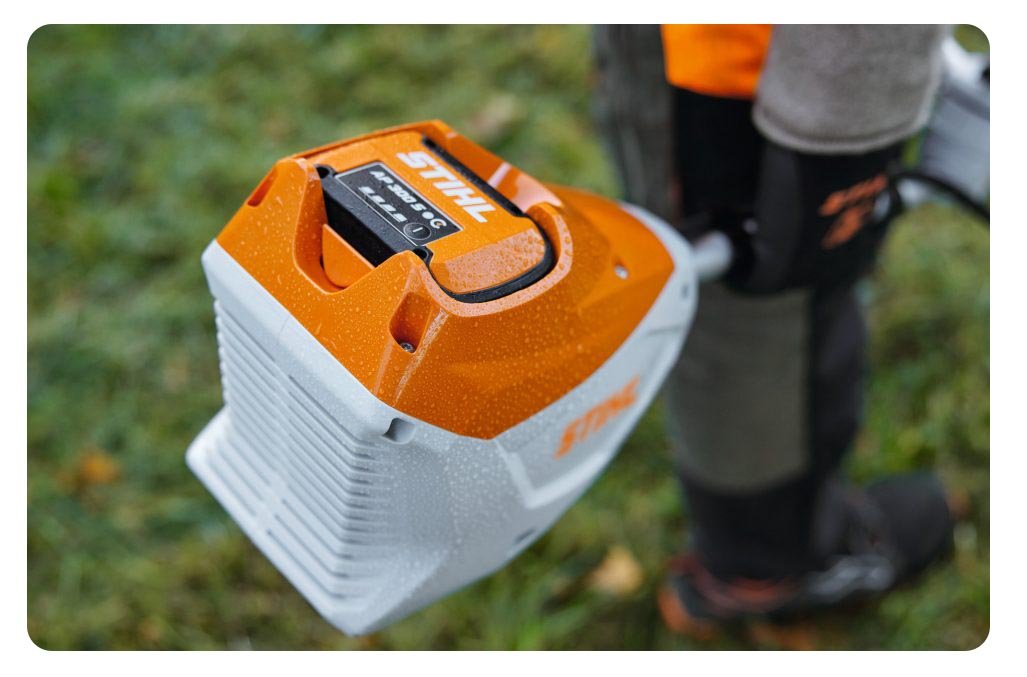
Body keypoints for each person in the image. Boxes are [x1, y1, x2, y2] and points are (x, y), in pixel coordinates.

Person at [592, 24, 986, 635]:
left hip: (699, 50)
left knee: (699, 264)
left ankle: (754, 549)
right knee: (762, 313)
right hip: (777, 75)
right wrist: (841, 124)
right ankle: (768, 564)